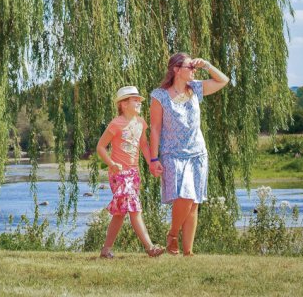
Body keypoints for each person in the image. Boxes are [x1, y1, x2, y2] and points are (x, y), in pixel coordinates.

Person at [149, 52, 229, 256]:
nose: (194, 70)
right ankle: (173, 234)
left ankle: (188, 251)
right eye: (190, 67)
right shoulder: (159, 95)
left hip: (197, 153)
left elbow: (223, 80)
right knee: (184, 195)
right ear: (176, 70)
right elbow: (155, 129)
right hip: (173, 153)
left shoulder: (196, 89)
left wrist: (207, 65)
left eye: (194, 68)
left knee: (193, 203)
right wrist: (153, 158)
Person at [95, 85, 165, 259]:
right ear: (123, 104)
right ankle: (150, 248)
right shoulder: (116, 123)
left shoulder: (140, 122)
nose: (139, 102)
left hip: (133, 173)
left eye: (139, 100)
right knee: (134, 208)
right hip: (119, 174)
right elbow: (100, 147)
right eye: (135, 100)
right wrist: (111, 163)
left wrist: (152, 163)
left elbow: (143, 145)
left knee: (120, 213)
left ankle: (106, 250)